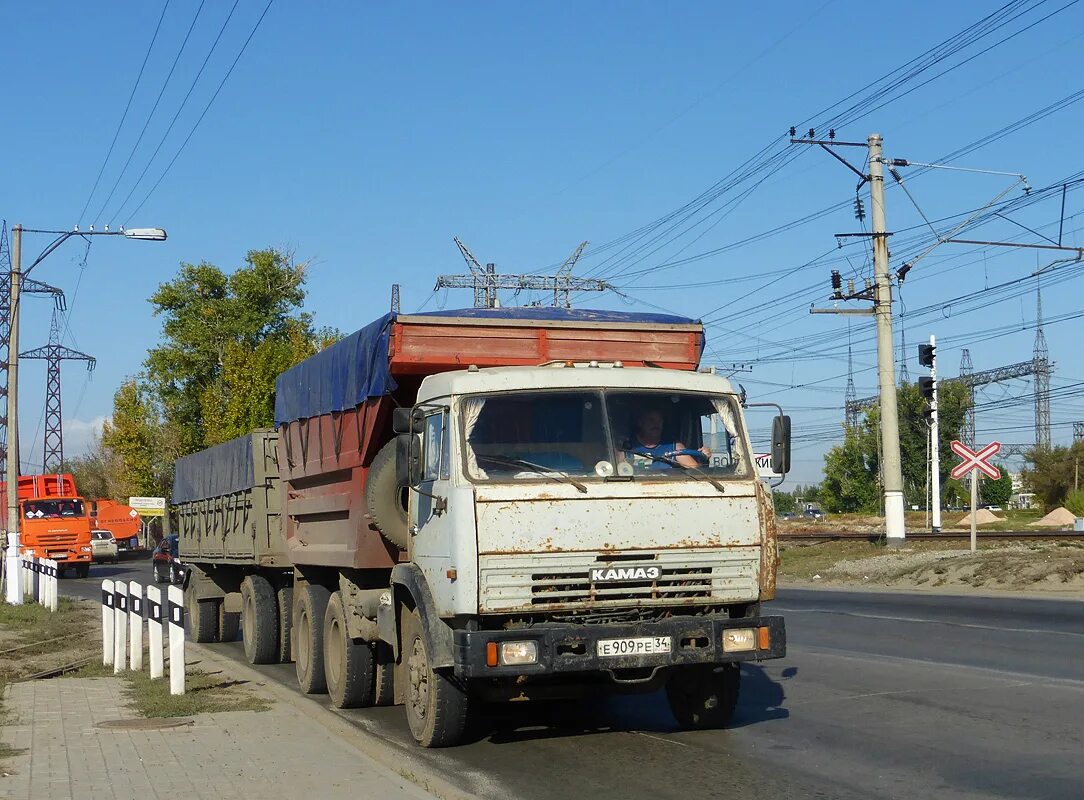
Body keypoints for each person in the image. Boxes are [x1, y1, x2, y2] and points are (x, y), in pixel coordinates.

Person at [625, 408, 709, 469]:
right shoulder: (626, 446)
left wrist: (703, 456)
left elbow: (697, 472)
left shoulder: (674, 447)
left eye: (659, 420)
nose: (656, 424)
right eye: (651, 420)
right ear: (640, 423)